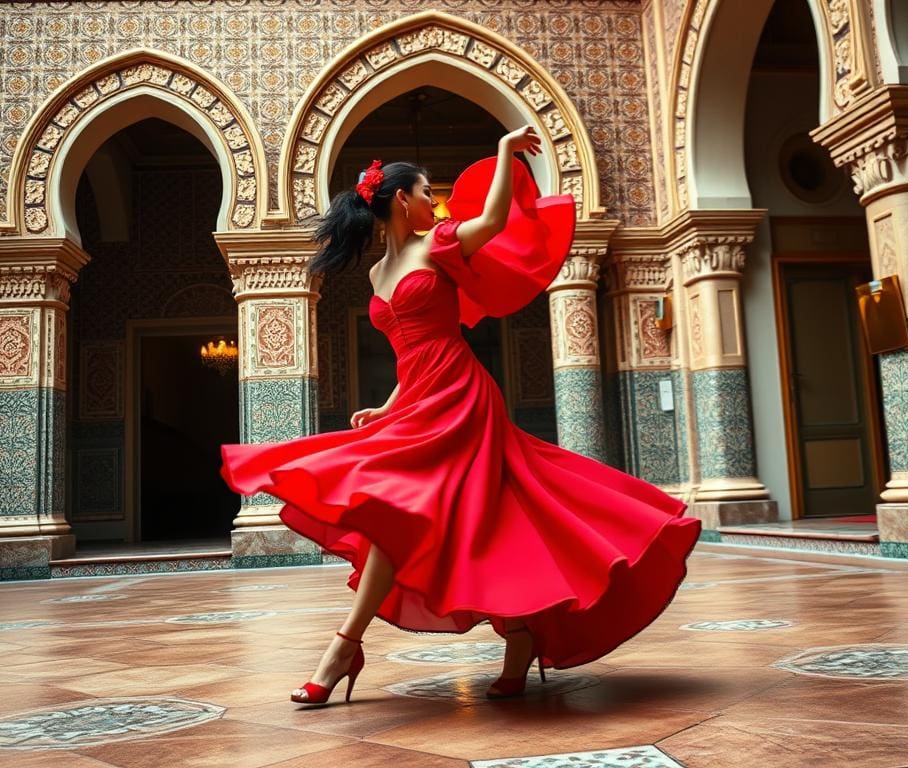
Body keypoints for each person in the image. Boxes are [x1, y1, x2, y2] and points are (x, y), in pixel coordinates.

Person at [221, 125, 701, 704]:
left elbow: (495, 223)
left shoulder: (441, 245)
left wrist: (500, 152)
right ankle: (518, 635)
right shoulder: (376, 275)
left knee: (404, 516)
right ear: (401, 199)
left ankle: (343, 649)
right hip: (417, 398)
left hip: (461, 395)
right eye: (428, 193)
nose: (434, 202)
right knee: (460, 516)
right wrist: (389, 405)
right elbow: (409, 351)